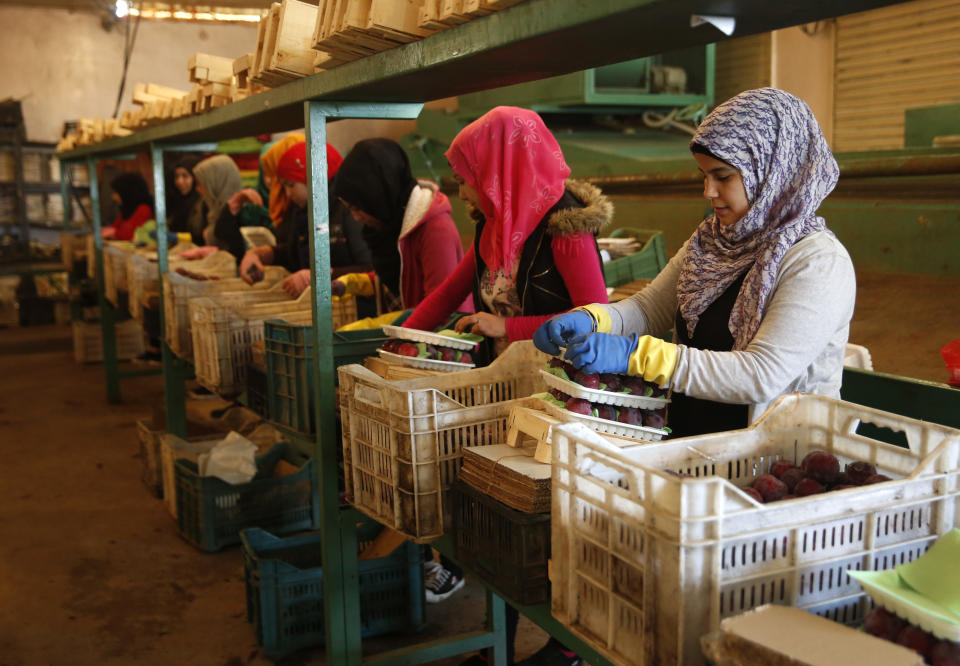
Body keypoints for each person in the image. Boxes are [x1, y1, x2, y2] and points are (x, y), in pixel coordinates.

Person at [402, 106, 611, 666]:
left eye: (468, 176)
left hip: (564, 396)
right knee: (502, 519)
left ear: (499, 170)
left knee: (553, 524)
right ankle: (501, 640)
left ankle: (565, 648)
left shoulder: (564, 229)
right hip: (509, 389)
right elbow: (449, 291)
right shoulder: (498, 224)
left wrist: (508, 326)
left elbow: (598, 317)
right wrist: (399, 337)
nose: (461, 189)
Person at [535, 87, 856, 439]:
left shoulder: (817, 262)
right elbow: (648, 309)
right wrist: (594, 318)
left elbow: (762, 375)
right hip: (689, 444)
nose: (708, 192)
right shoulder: (712, 241)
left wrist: (639, 356)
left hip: (772, 459)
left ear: (772, 169)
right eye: (704, 176)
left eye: (723, 177)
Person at [331, 138, 469, 316]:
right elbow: (403, 277)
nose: (357, 218)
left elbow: (441, 308)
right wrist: (357, 283)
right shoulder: (391, 226)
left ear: (377, 196)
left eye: (358, 208)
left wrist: (389, 326)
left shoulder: (435, 230)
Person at [239, 141, 371, 297]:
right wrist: (257, 254)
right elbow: (293, 254)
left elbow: (368, 268)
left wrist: (318, 276)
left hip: (354, 305)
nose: (288, 194)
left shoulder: (349, 209)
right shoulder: (304, 210)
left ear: (311, 178)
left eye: (291, 185)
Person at [185, 154, 271, 262]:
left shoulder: (247, 209)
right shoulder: (211, 209)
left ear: (216, 182)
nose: (198, 189)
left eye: (201, 183)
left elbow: (236, 247)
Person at [100, 172, 153, 240]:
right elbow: (113, 228)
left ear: (127, 193)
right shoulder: (127, 209)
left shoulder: (144, 209)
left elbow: (139, 235)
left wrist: (115, 233)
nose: (113, 197)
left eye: (116, 193)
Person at [166, 156, 201, 235]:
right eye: (176, 176)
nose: (179, 181)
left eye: (185, 176)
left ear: (196, 178)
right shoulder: (175, 201)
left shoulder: (202, 203)